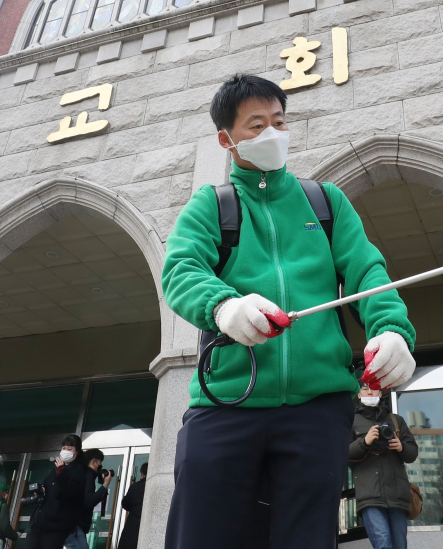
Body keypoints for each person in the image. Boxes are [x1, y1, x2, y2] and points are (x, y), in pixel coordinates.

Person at [161, 73, 417, 549]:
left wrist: (393, 329)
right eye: (256, 126)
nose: (272, 134)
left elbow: (367, 272)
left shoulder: (326, 202)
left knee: (307, 538)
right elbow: (180, 270)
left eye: (279, 121)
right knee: (200, 534)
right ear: (226, 139)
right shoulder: (211, 206)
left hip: (317, 411)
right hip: (225, 403)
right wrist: (224, 307)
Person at [348, 384, 418, 549]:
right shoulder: (351, 421)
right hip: (369, 493)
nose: (370, 392)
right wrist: (364, 442)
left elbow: (413, 453)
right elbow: (343, 454)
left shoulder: (395, 420)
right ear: (358, 394)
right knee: (383, 544)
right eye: (365, 389)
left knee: (400, 545)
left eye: (374, 388)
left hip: (397, 493)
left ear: (381, 392)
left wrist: (401, 447)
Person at [28, 434, 83, 549]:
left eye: (70, 449)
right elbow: (47, 483)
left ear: (76, 452)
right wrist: (42, 489)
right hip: (40, 522)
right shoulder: (55, 469)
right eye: (64, 448)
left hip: (57, 524)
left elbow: (71, 492)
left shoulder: (79, 470)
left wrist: (62, 471)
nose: (65, 451)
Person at [62, 449, 112, 549]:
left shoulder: (80, 473)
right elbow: (89, 501)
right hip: (74, 526)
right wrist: (105, 485)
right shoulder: (88, 475)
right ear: (93, 462)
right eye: (99, 464)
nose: (100, 468)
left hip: (70, 524)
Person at [117, 463, 148, 549]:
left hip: (132, 531)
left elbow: (125, 504)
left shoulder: (136, 487)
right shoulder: (157, 487)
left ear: (142, 474)